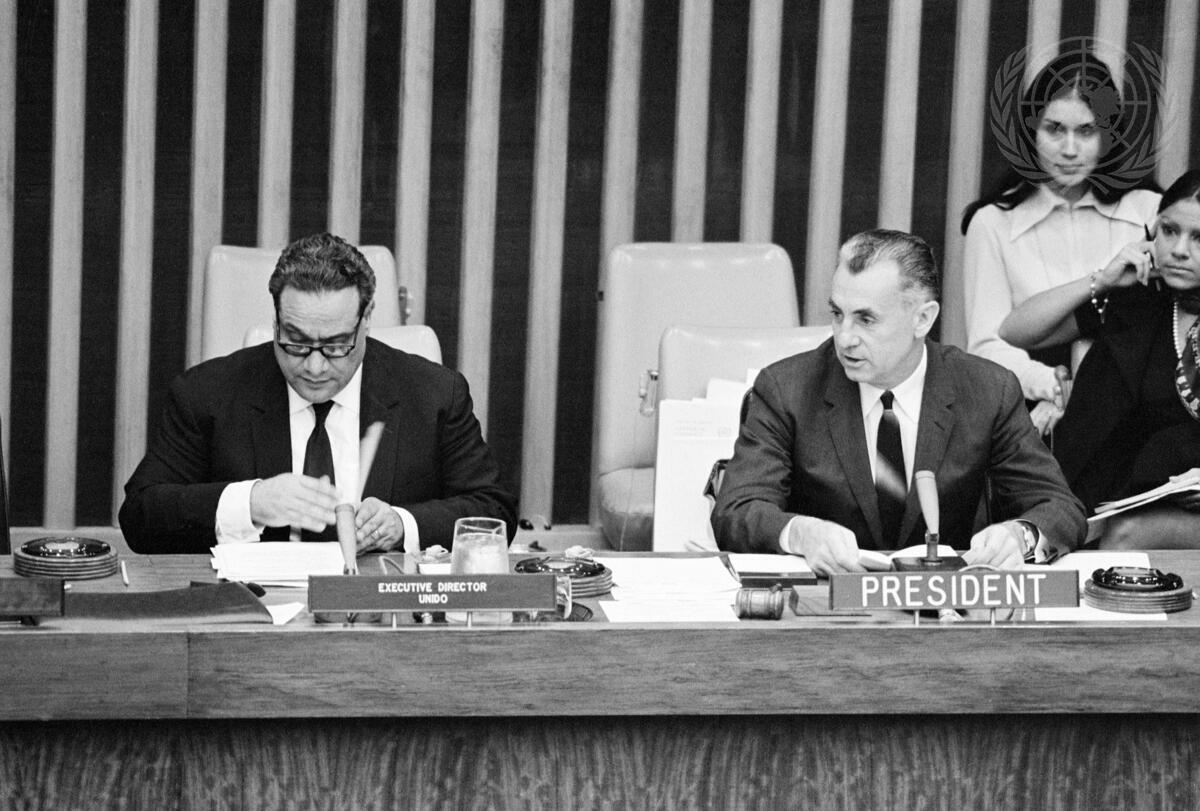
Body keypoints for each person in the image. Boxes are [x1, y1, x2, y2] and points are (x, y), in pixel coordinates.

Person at [711, 229, 1086, 575]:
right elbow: (736, 511)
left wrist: (1020, 536)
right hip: (828, 603)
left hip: (948, 605)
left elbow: (1061, 508)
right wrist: (799, 533)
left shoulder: (988, 390)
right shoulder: (787, 389)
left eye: (866, 320)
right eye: (838, 314)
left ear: (923, 319)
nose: (844, 338)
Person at [120, 233, 517, 554]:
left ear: (366, 319)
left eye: (336, 345)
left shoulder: (433, 394)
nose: (314, 367)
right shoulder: (208, 393)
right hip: (254, 611)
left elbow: (494, 510)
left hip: (380, 611)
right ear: (276, 319)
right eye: (295, 342)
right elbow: (140, 515)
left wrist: (403, 524)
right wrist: (251, 503)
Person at [962, 49, 1160, 436]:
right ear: (1030, 131)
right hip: (1027, 410)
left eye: (1086, 131)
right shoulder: (993, 222)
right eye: (1054, 129)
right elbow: (986, 345)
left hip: (1134, 417)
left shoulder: (1149, 212)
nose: (1070, 149)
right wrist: (1052, 386)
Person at [999, 170, 1200, 548]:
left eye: (1199, 238)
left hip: (1173, 511)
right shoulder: (1140, 298)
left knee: (1124, 536)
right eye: (1169, 230)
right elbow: (1016, 331)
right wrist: (1102, 280)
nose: (1178, 250)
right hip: (1120, 497)